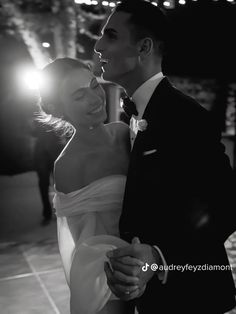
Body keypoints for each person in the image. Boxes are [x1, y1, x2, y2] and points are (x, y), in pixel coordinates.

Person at [94, 1, 236, 313]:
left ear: (143, 47)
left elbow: (226, 205)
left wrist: (159, 256)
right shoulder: (130, 114)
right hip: (147, 298)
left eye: (111, 35)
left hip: (191, 296)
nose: (98, 45)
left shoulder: (186, 117)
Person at [37, 57, 143, 314]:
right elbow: (87, 241)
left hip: (151, 261)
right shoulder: (68, 166)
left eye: (94, 85)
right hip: (111, 278)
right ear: (58, 107)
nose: (95, 99)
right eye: (79, 96)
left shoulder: (123, 133)